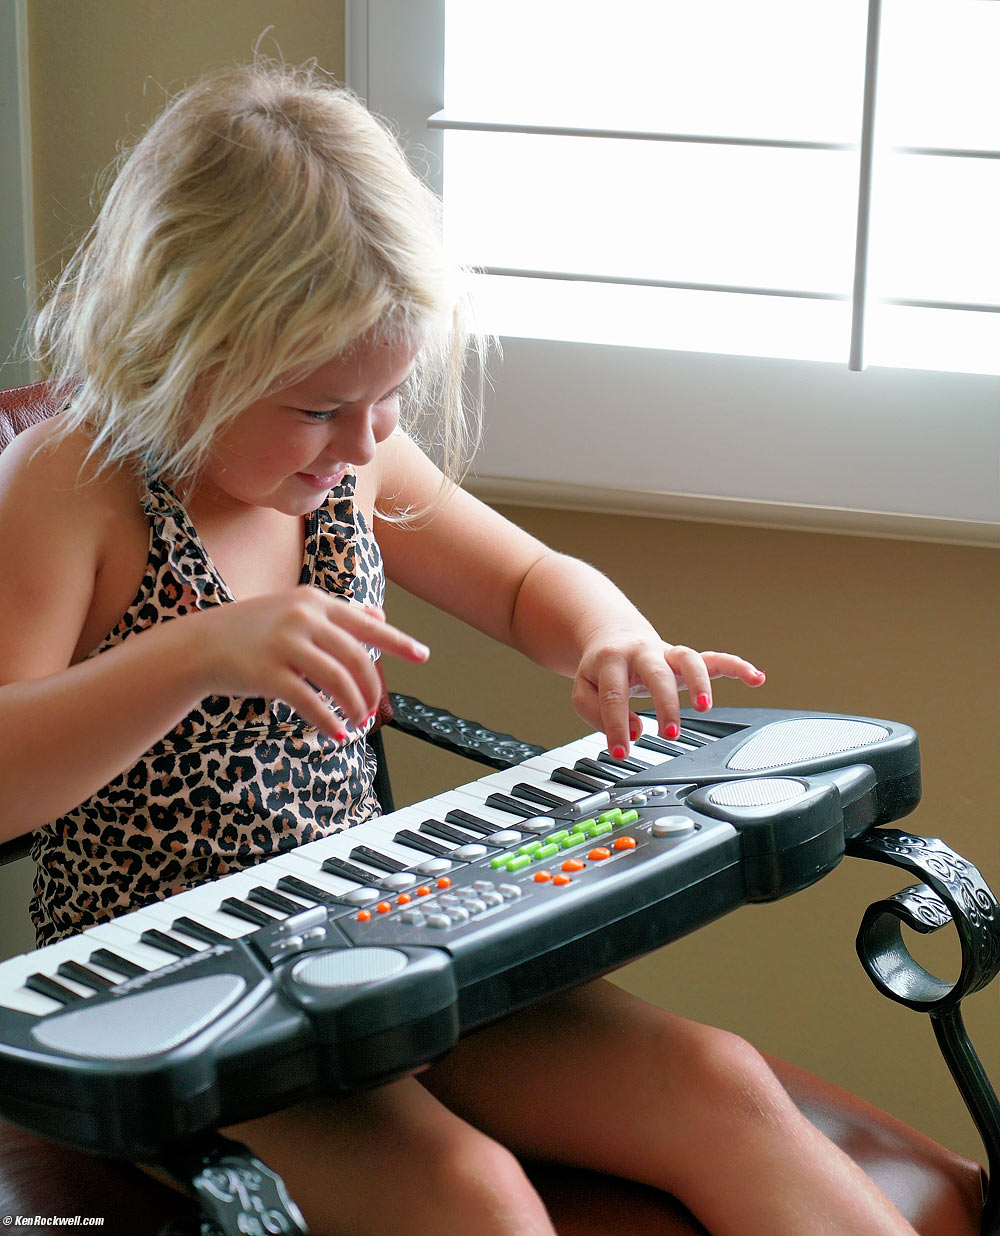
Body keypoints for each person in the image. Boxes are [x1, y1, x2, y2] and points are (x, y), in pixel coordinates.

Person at [0, 61, 918, 1236]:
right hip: (172, 1004)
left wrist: (609, 636)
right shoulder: (79, 489)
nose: (366, 438)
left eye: (389, 397)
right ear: (181, 345)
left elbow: (529, 578)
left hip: (374, 937)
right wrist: (195, 654)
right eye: (321, 405)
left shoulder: (354, 457)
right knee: (470, 1195)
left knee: (718, 1084)